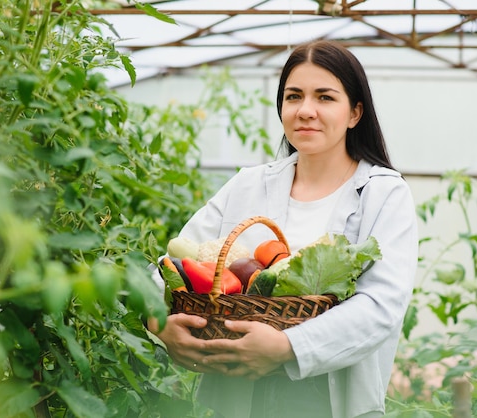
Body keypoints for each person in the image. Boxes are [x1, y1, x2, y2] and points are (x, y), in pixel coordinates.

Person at [148, 40, 418, 418]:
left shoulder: (384, 194)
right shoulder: (247, 185)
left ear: (355, 112)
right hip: (239, 394)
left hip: (327, 400)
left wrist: (288, 347)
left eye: (325, 97)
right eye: (294, 97)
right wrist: (159, 325)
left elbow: (380, 307)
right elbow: (167, 267)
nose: (306, 111)